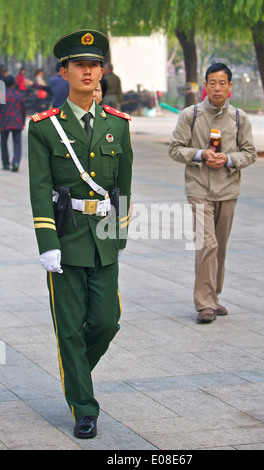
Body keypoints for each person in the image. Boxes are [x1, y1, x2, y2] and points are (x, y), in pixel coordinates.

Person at [28, 29, 133, 438]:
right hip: (66, 240)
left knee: (107, 322)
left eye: (94, 65)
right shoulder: (43, 128)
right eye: (79, 65)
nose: (87, 71)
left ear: (102, 71)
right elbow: (39, 190)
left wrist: (119, 236)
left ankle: (74, 376)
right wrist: (46, 243)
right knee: (69, 330)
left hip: (103, 238)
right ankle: (84, 408)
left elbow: (123, 188)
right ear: (64, 71)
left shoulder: (118, 126)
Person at [169, 63, 257, 324]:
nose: (217, 87)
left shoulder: (240, 118)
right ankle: (205, 303)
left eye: (222, 83)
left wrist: (228, 159)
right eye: (212, 82)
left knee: (220, 247)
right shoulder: (190, 115)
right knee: (207, 244)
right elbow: (175, 149)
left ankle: (213, 296)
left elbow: (250, 153)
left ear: (230, 87)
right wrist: (200, 154)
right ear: (205, 85)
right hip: (198, 188)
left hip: (227, 189)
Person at [0, 75, 25, 171]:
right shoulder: (19, 94)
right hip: (17, 121)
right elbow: (23, 110)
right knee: (17, 143)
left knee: (3, 142)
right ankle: (15, 163)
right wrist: (22, 121)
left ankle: (6, 163)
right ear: (14, 83)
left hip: (4, 121)